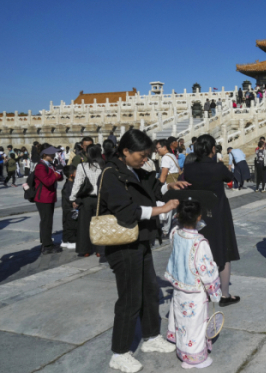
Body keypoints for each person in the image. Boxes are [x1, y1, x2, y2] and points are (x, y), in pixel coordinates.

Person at [100, 129, 186, 373]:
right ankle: (119, 352)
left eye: (148, 155)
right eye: (141, 154)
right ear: (125, 151)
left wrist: (170, 186)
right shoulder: (111, 174)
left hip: (141, 239)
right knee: (129, 298)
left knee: (149, 291)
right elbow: (127, 212)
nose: (146, 159)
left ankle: (150, 337)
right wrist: (162, 209)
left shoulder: (134, 170)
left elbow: (153, 189)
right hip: (123, 245)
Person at [165, 198, 222, 369]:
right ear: (199, 217)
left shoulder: (175, 233)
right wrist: (214, 292)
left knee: (181, 321)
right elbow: (207, 270)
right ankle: (195, 358)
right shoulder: (200, 242)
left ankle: (182, 352)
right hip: (195, 290)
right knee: (196, 324)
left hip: (179, 286)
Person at [185, 135, 241, 307]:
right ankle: (224, 294)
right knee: (223, 251)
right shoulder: (217, 167)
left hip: (198, 215)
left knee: (200, 253)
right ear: (213, 149)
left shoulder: (189, 169)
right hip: (218, 213)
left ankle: (203, 291)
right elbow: (231, 177)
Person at [70, 144, 105, 257]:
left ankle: (85, 249)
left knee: (84, 225)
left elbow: (78, 183)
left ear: (87, 154)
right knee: (100, 224)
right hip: (101, 198)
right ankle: (100, 249)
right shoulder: (104, 166)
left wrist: (73, 198)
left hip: (86, 198)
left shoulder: (82, 166)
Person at [34, 144, 64, 254]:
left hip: (49, 196)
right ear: (45, 154)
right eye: (51, 153)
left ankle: (45, 242)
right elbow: (47, 181)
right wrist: (56, 173)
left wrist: (58, 171)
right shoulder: (40, 166)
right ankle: (47, 246)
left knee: (47, 221)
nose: (53, 155)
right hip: (43, 197)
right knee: (46, 222)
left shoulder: (49, 165)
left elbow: (59, 177)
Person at [60, 165, 78, 250]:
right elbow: (69, 197)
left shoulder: (67, 183)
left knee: (66, 224)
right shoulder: (70, 185)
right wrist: (74, 202)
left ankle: (65, 240)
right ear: (72, 174)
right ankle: (71, 241)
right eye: (76, 172)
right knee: (72, 225)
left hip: (66, 208)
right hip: (70, 208)